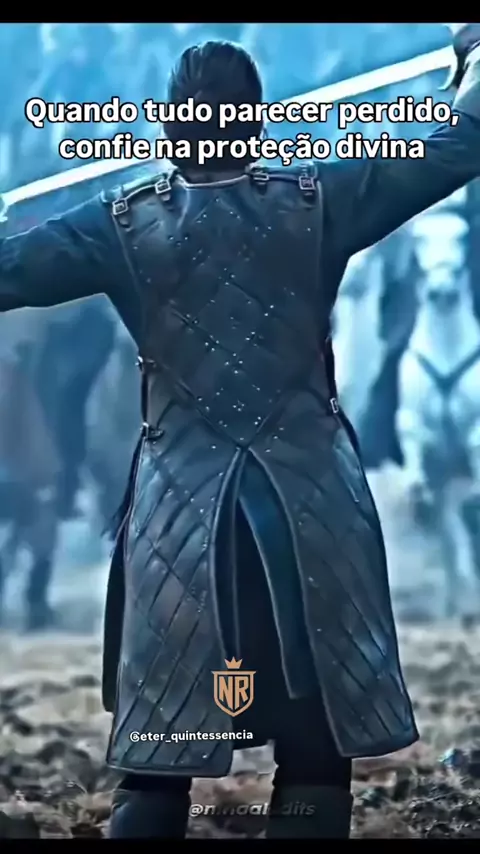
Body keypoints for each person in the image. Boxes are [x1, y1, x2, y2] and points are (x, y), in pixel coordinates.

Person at [0, 24, 480, 840]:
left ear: (168, 125)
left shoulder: (116, 225)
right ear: (255, 122)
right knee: (313, 764)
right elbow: (459, 144)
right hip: (311, 515)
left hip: (178, 527)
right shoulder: (319, 199)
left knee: (158, 766)